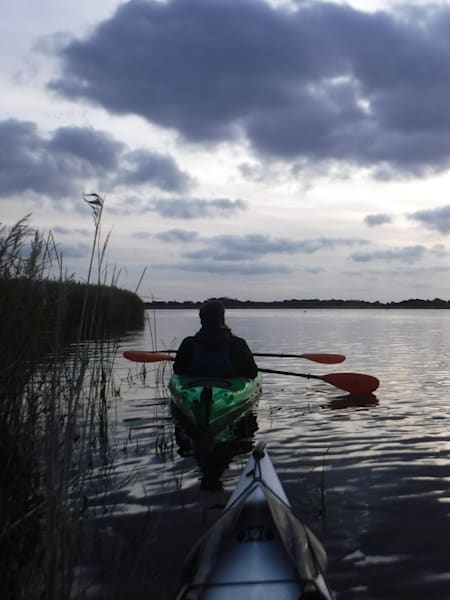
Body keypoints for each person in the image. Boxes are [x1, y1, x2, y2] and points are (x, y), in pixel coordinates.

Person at [173, 299, 258, 379]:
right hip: (228, 386)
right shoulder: (238, 344)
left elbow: (178, 370)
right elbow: (252, 373)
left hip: (195, 384)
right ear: (222, 319)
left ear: (201, 321)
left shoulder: (188, 343)